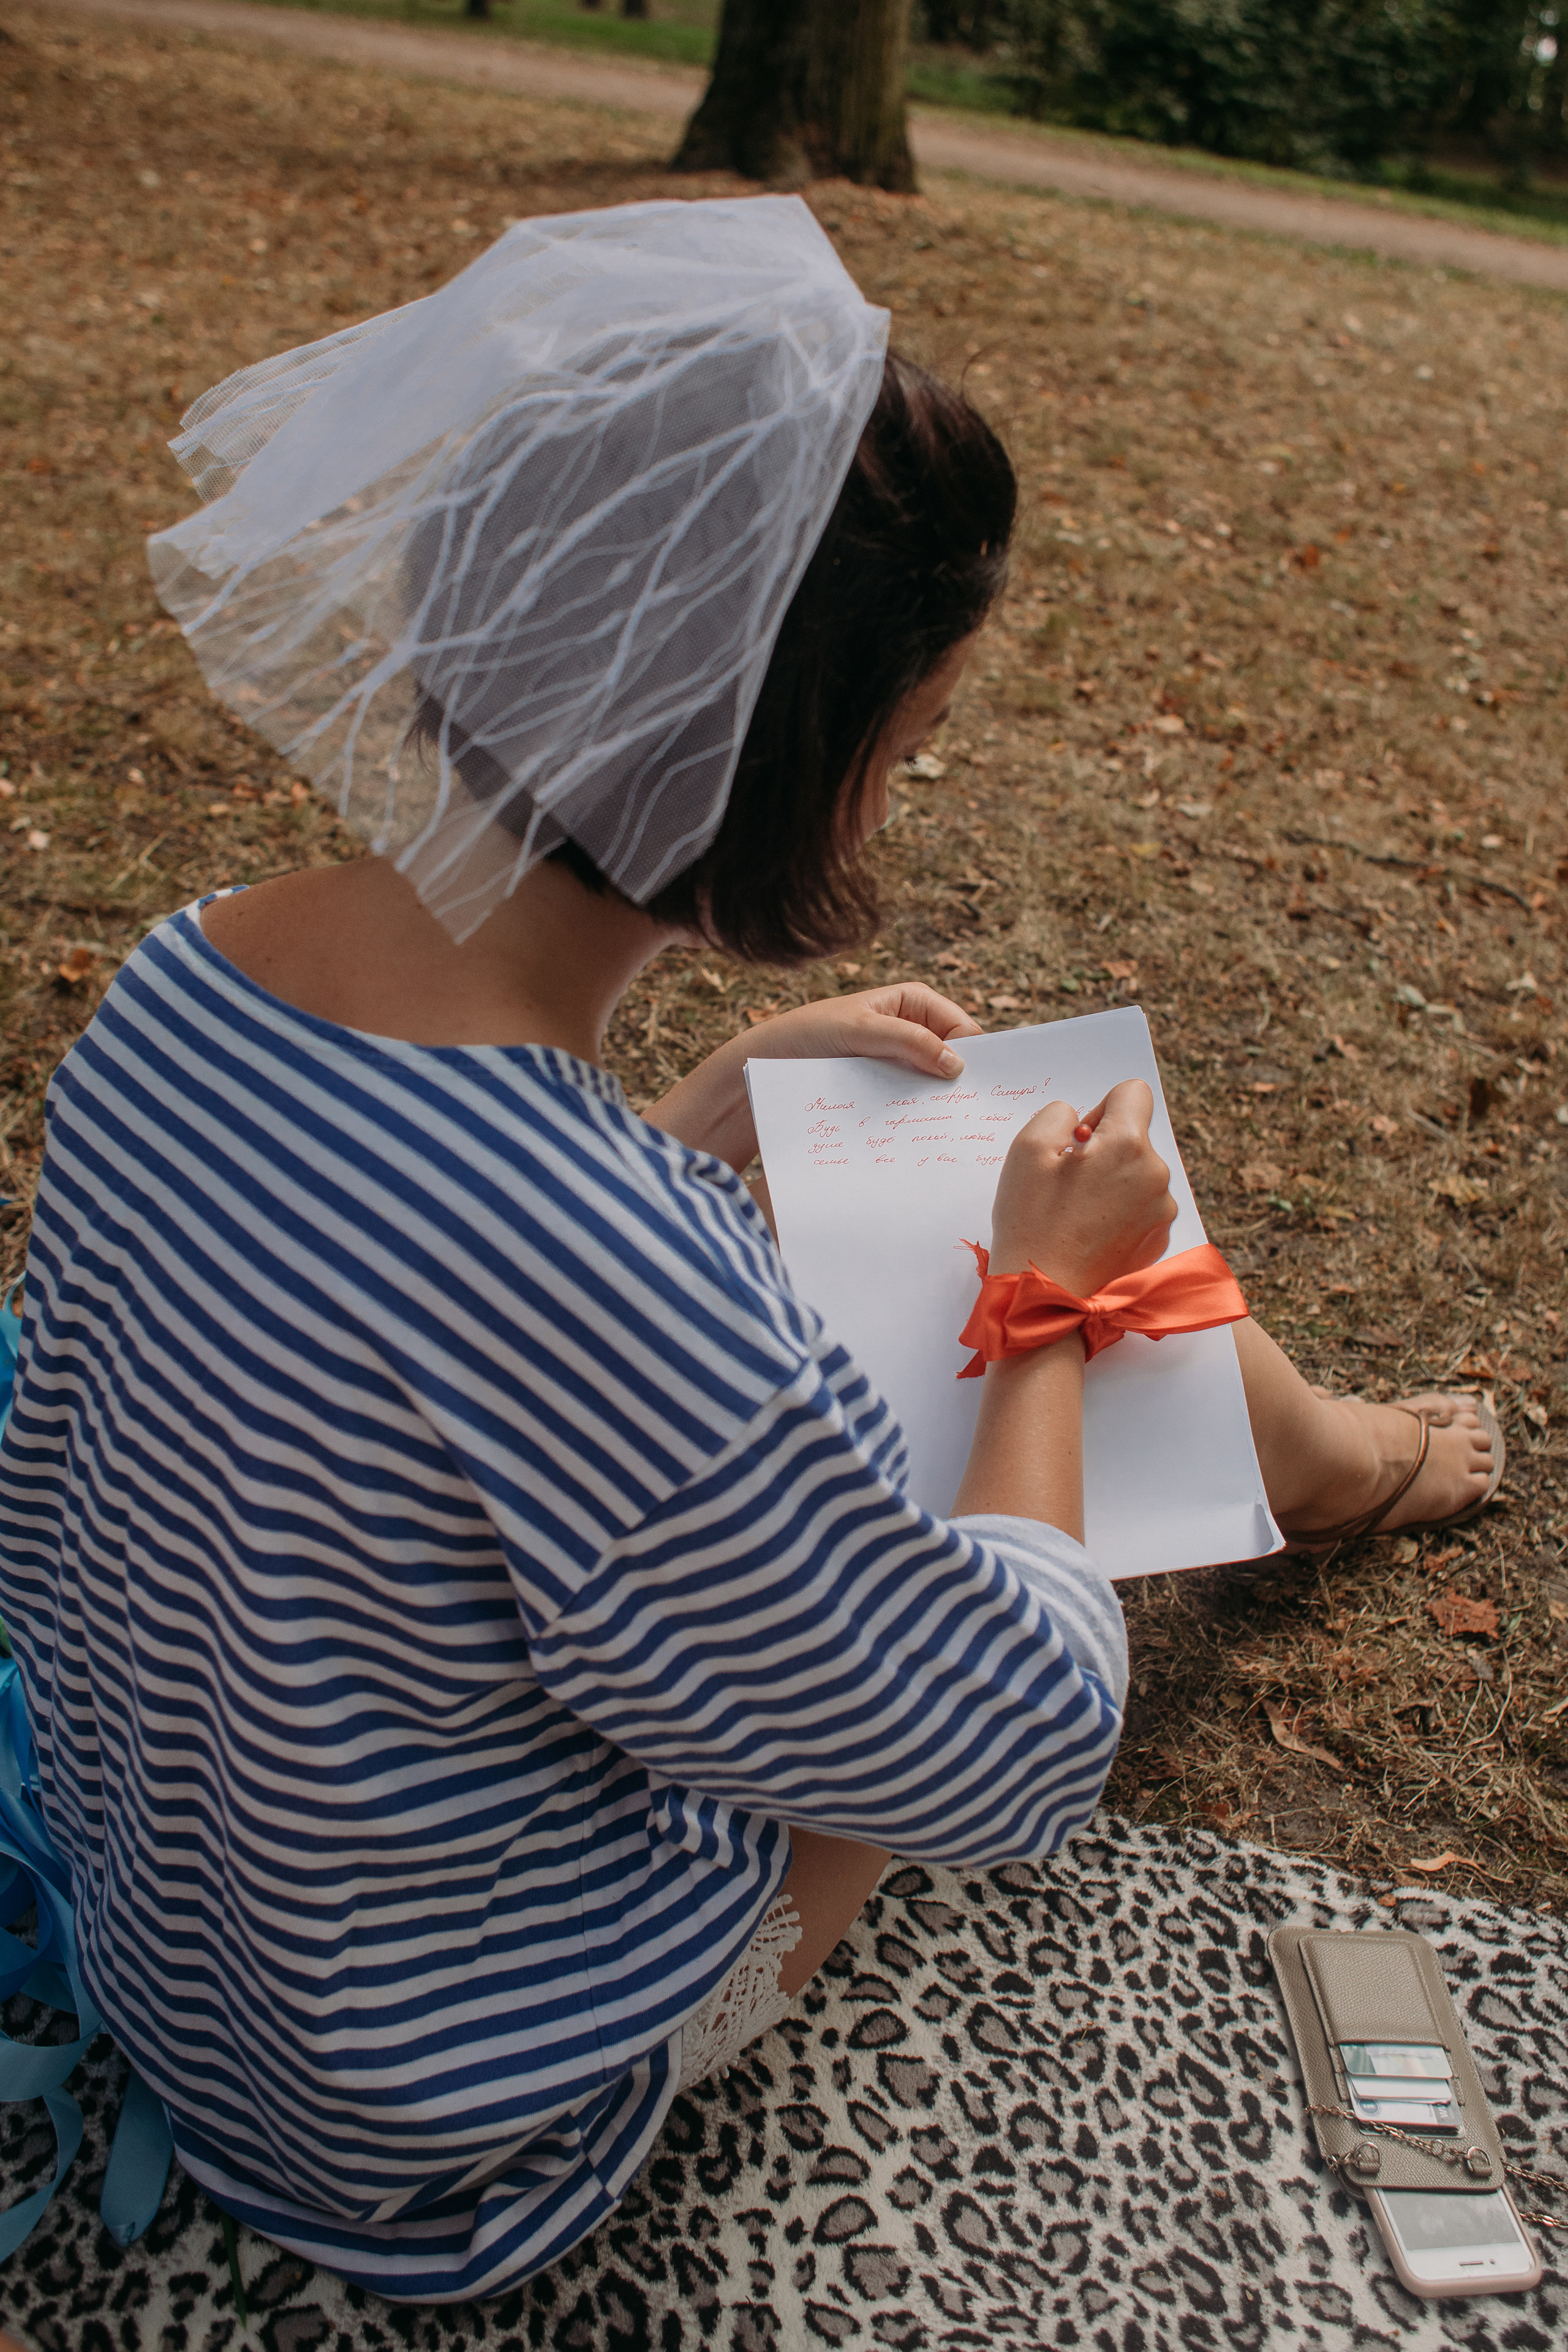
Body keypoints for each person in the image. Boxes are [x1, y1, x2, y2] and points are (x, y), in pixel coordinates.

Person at [0, 198, 1499, 2304]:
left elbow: (370, 1346)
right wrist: (1048, 1307)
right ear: (783, 761)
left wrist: (686, 1130)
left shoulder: (180, 983)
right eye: (902, 751)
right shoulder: (600, 1268)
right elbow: (1003, 1746)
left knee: (924, 1238)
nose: (896, 805)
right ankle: (1324, 1458)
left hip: (192, 1928)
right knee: (1011, 1280)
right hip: (442, 2129)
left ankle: (1325, 1452)